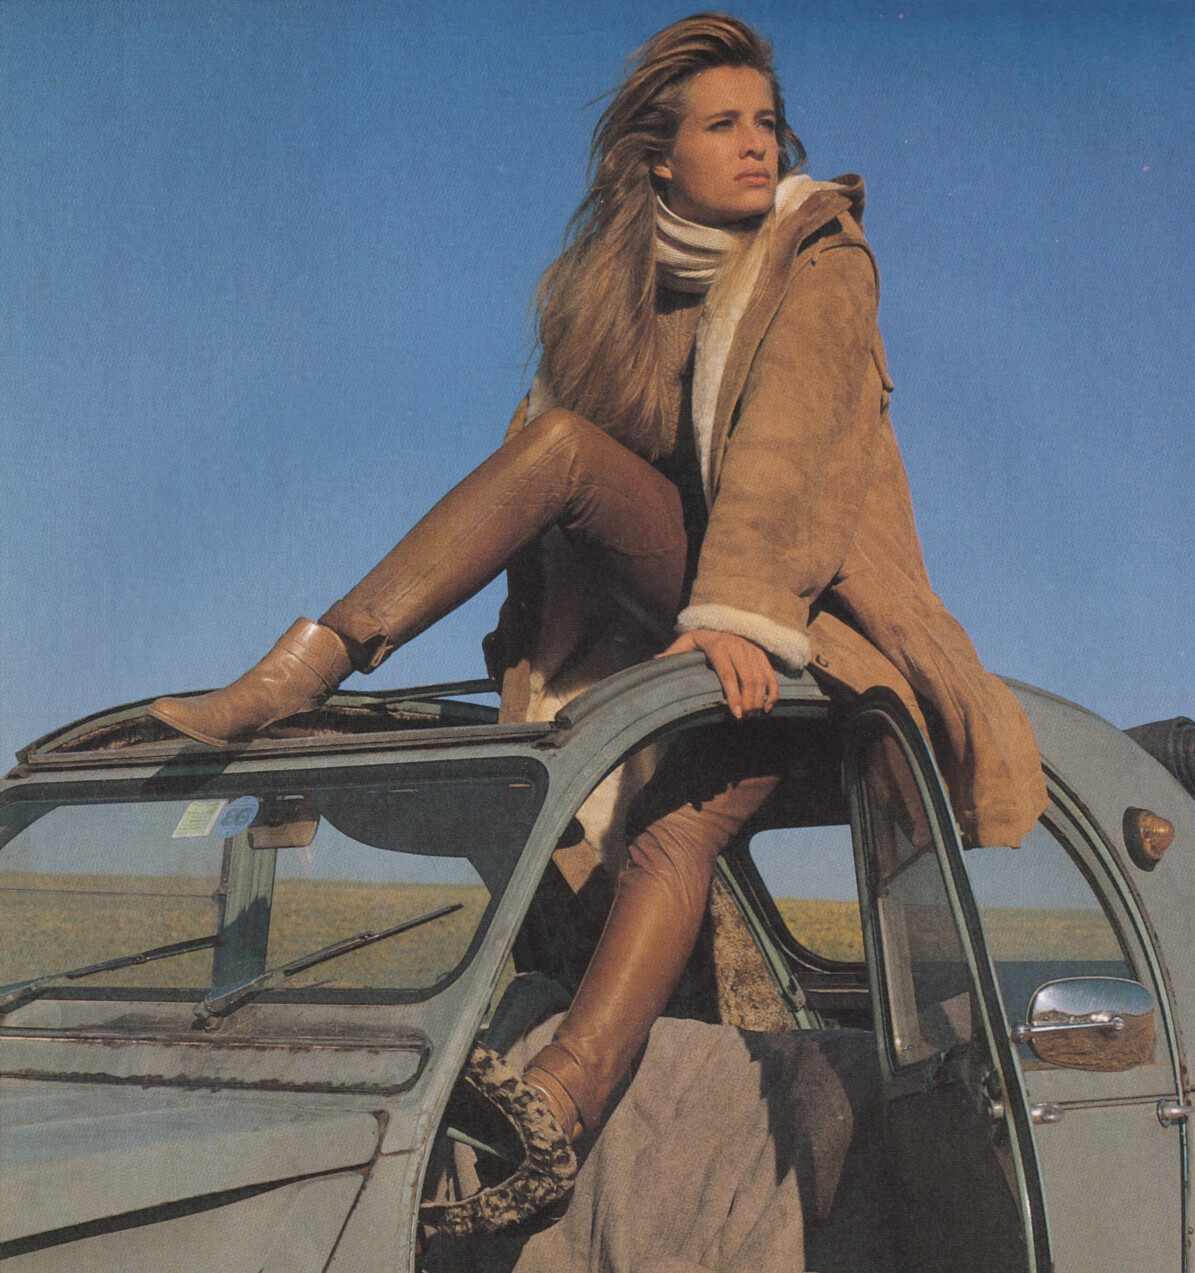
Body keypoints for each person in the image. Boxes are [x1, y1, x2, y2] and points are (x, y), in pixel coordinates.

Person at [149, 14, 1047, 1197]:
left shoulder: (817, 256)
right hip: (664, 614)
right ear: (657, 162)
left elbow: (787, 457)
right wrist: (527, 663)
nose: (756, 144)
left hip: (809, 609)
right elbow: (528, 509)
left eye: (765, 123)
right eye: (722, 125)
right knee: (558, 453)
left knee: (674, 818)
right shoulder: (608, 295)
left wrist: (735, 612)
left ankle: (552, 1104)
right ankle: (305, 672)